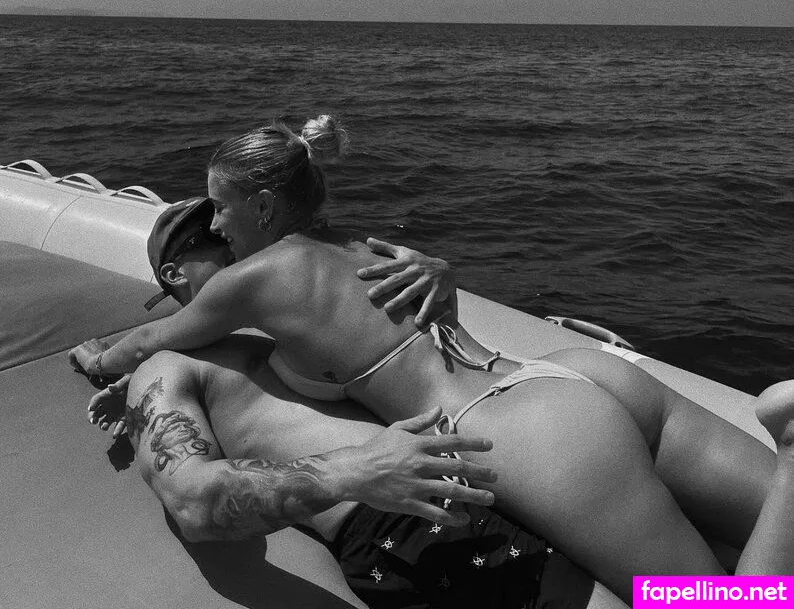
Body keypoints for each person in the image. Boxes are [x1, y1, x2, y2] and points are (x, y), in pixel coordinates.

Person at [70, 115, 794, 602]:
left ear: (261, 205)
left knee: (723, 605)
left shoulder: (252, 280)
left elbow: (147, 343)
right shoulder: (368, 248)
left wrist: (98, 355)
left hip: (523, 434)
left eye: (221, 207)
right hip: (565, 375)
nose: (219, 226)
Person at [87, 201, 600, 609]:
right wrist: (353, 472)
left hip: (487, 474)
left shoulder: (278, 325)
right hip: (407, 524)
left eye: (231, 226)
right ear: (175, 273)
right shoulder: (164, 369)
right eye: (210, 237)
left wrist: (442, 275)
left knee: (643, 582)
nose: (231, 239)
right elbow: (192, 504)